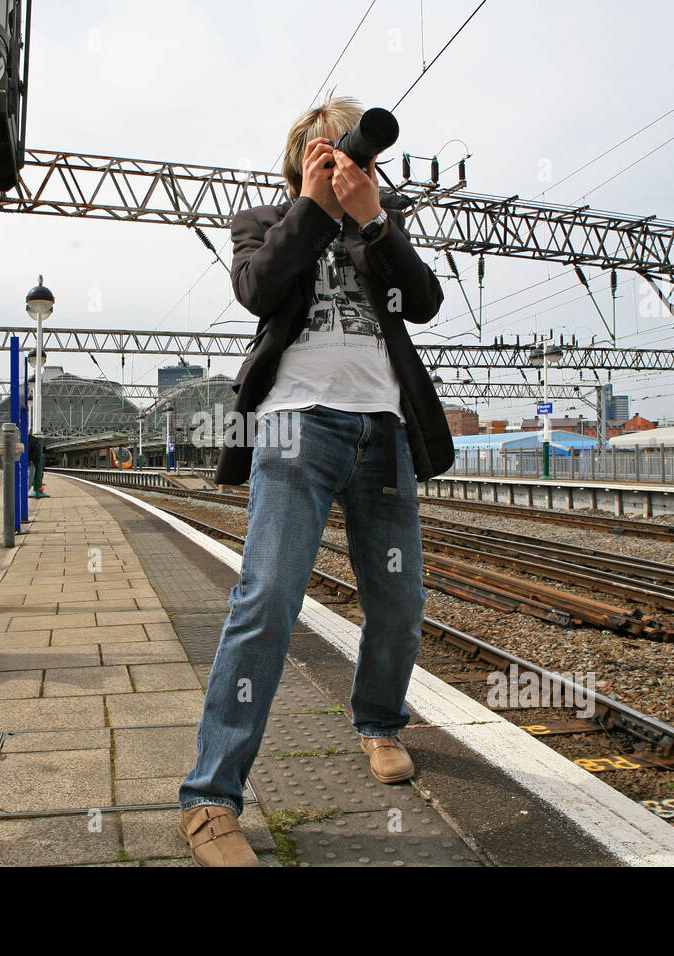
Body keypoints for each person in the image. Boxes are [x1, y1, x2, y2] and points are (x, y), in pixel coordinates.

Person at [177, 94, 455, 866]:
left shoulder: (381, 223)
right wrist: (311, 203)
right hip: (296, 424)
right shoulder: (264, 220)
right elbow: (260, 290)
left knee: (399, 602)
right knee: (266, 598)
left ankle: (379, 722)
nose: (341, 164)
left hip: (384, 428)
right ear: (301, 158)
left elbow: (424, 304)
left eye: (351, 152)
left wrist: (372, 222)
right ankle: (210, 799)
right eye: (324, 151)